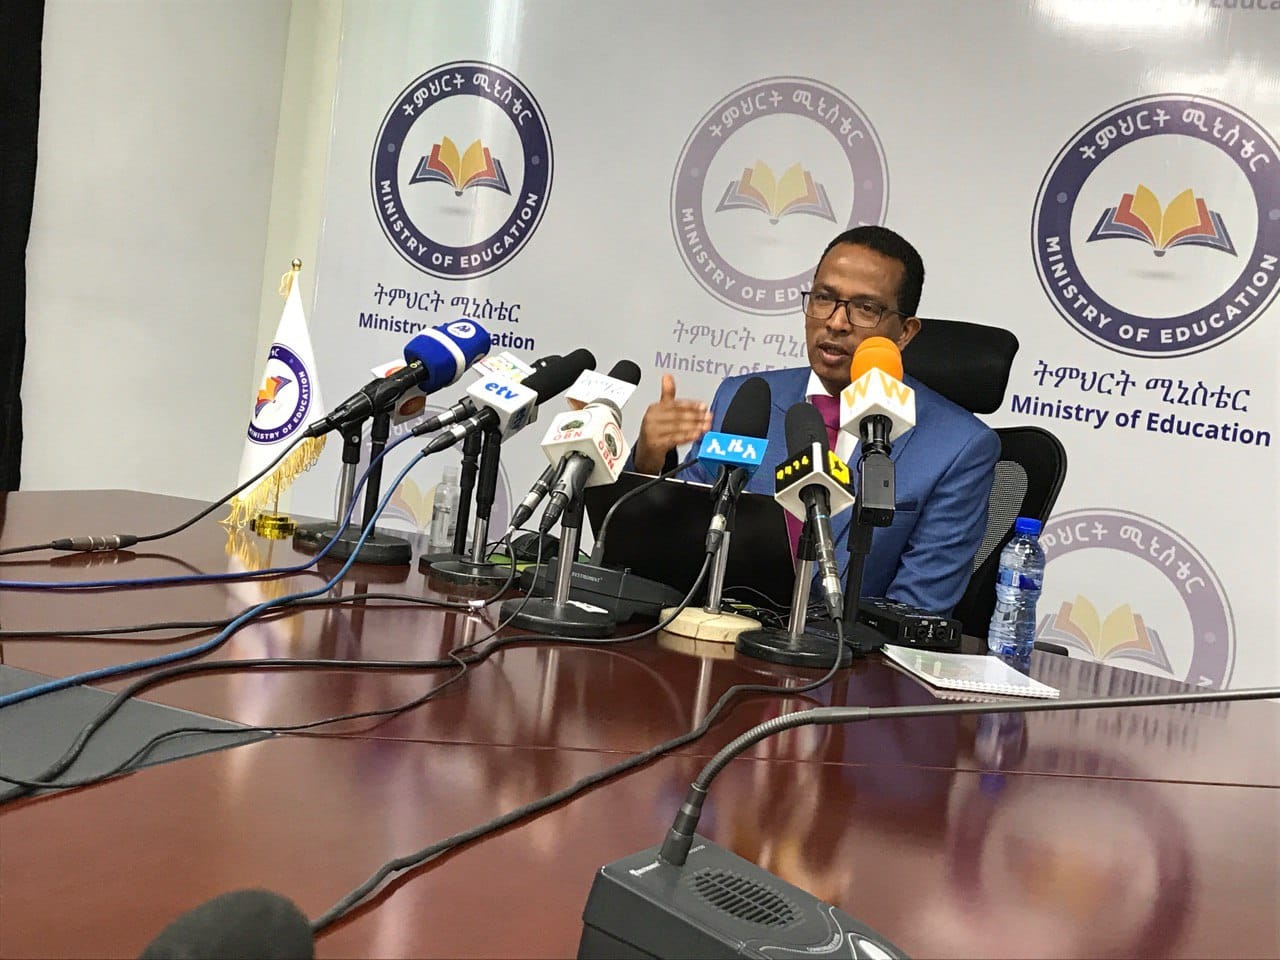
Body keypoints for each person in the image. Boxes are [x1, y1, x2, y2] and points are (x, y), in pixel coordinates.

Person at [631, 225, 999, 615]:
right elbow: (678, 541)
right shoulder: (748, 397)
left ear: (905, 332)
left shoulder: (959, 448)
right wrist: (649, 460)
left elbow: (915, 612)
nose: (836, 322)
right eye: (824, 298)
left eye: (865, 308)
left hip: (844, 648)